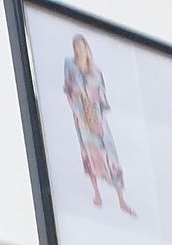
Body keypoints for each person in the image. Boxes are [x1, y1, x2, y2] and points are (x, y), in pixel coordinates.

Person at [62, 33, 135, 216]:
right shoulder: (70, 66)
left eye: (82, 45)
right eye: (76, 46)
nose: (79, 49)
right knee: (89, 154)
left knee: (111, 156)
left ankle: (121, 200)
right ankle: (97, 194)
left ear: (87, 48)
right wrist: (83, 115)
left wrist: (99, 119)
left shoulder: (96, 71)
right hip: (81, 118)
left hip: (99, 119)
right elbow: (68, 91)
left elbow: (102, 97)